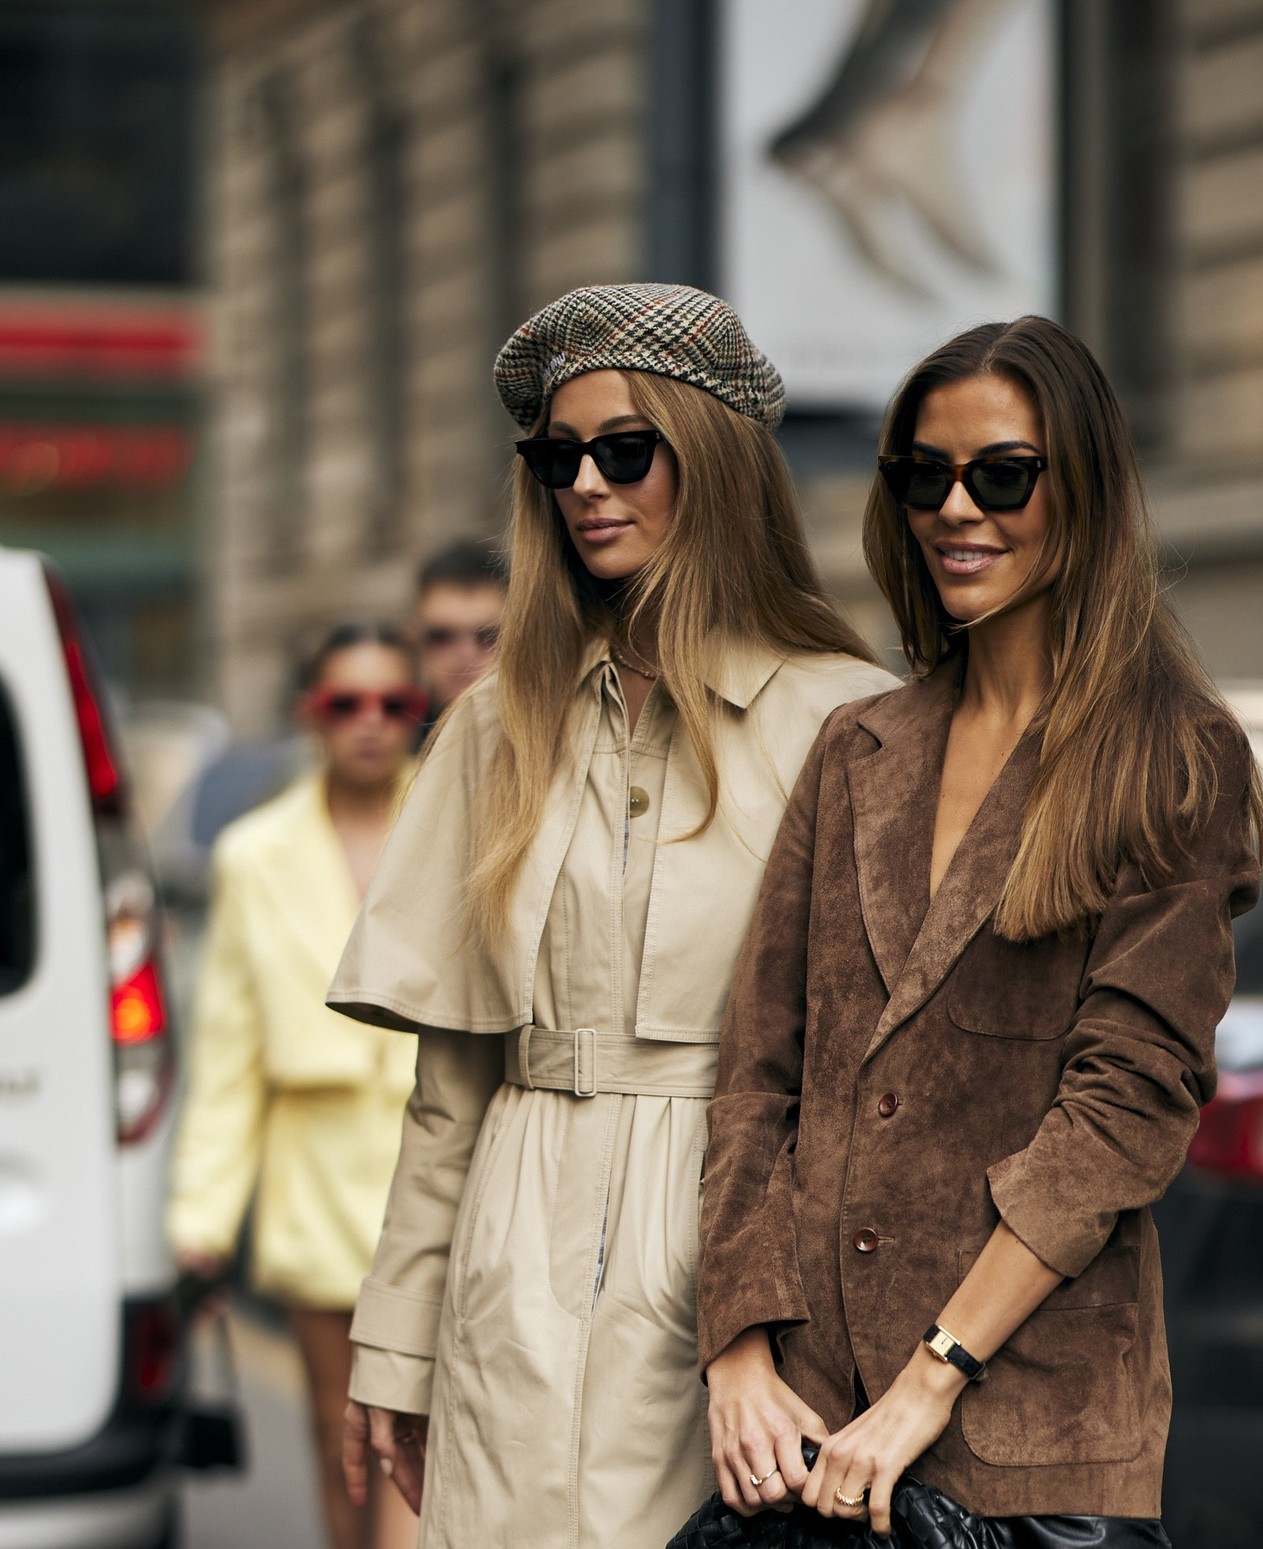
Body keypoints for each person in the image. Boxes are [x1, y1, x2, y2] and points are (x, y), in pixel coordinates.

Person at [327, 283, 896, 1549]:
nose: (584, 485)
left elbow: (877, 1089)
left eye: (625, 451)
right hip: (511, 1246)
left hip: (736, 1256)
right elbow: (451, 1082)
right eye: (557, 458)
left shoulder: (847, 721)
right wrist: (397, 1340)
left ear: (714, 462)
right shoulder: (493, 725)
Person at [698, 316, 1263, 1542]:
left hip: (1030, 1441)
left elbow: (1123, 1107)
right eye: (925, 476)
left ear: (1083, 488)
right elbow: (756, 1075)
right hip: (812, 1426)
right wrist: (739, 1347)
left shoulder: (1169, 759)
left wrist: (929, 1379)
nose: (955, 509)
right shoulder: (858, 747)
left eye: (1001, 475)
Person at [167, 623, 426, 1549]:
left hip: (438, 1174)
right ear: (308, 713)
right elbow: (228, 1052)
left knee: (421, 1429)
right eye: (345, 702)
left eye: (394, 702)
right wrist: (201, 1220)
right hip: (315, 1186)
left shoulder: (459, 820)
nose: (370, 721)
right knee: (337, 1430)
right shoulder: (254, 853)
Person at [410, 537, 507, 726]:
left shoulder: (551, 734)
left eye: (488, 637)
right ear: (414, 639)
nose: (465, 655)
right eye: (441, 637)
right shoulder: (396, 736)